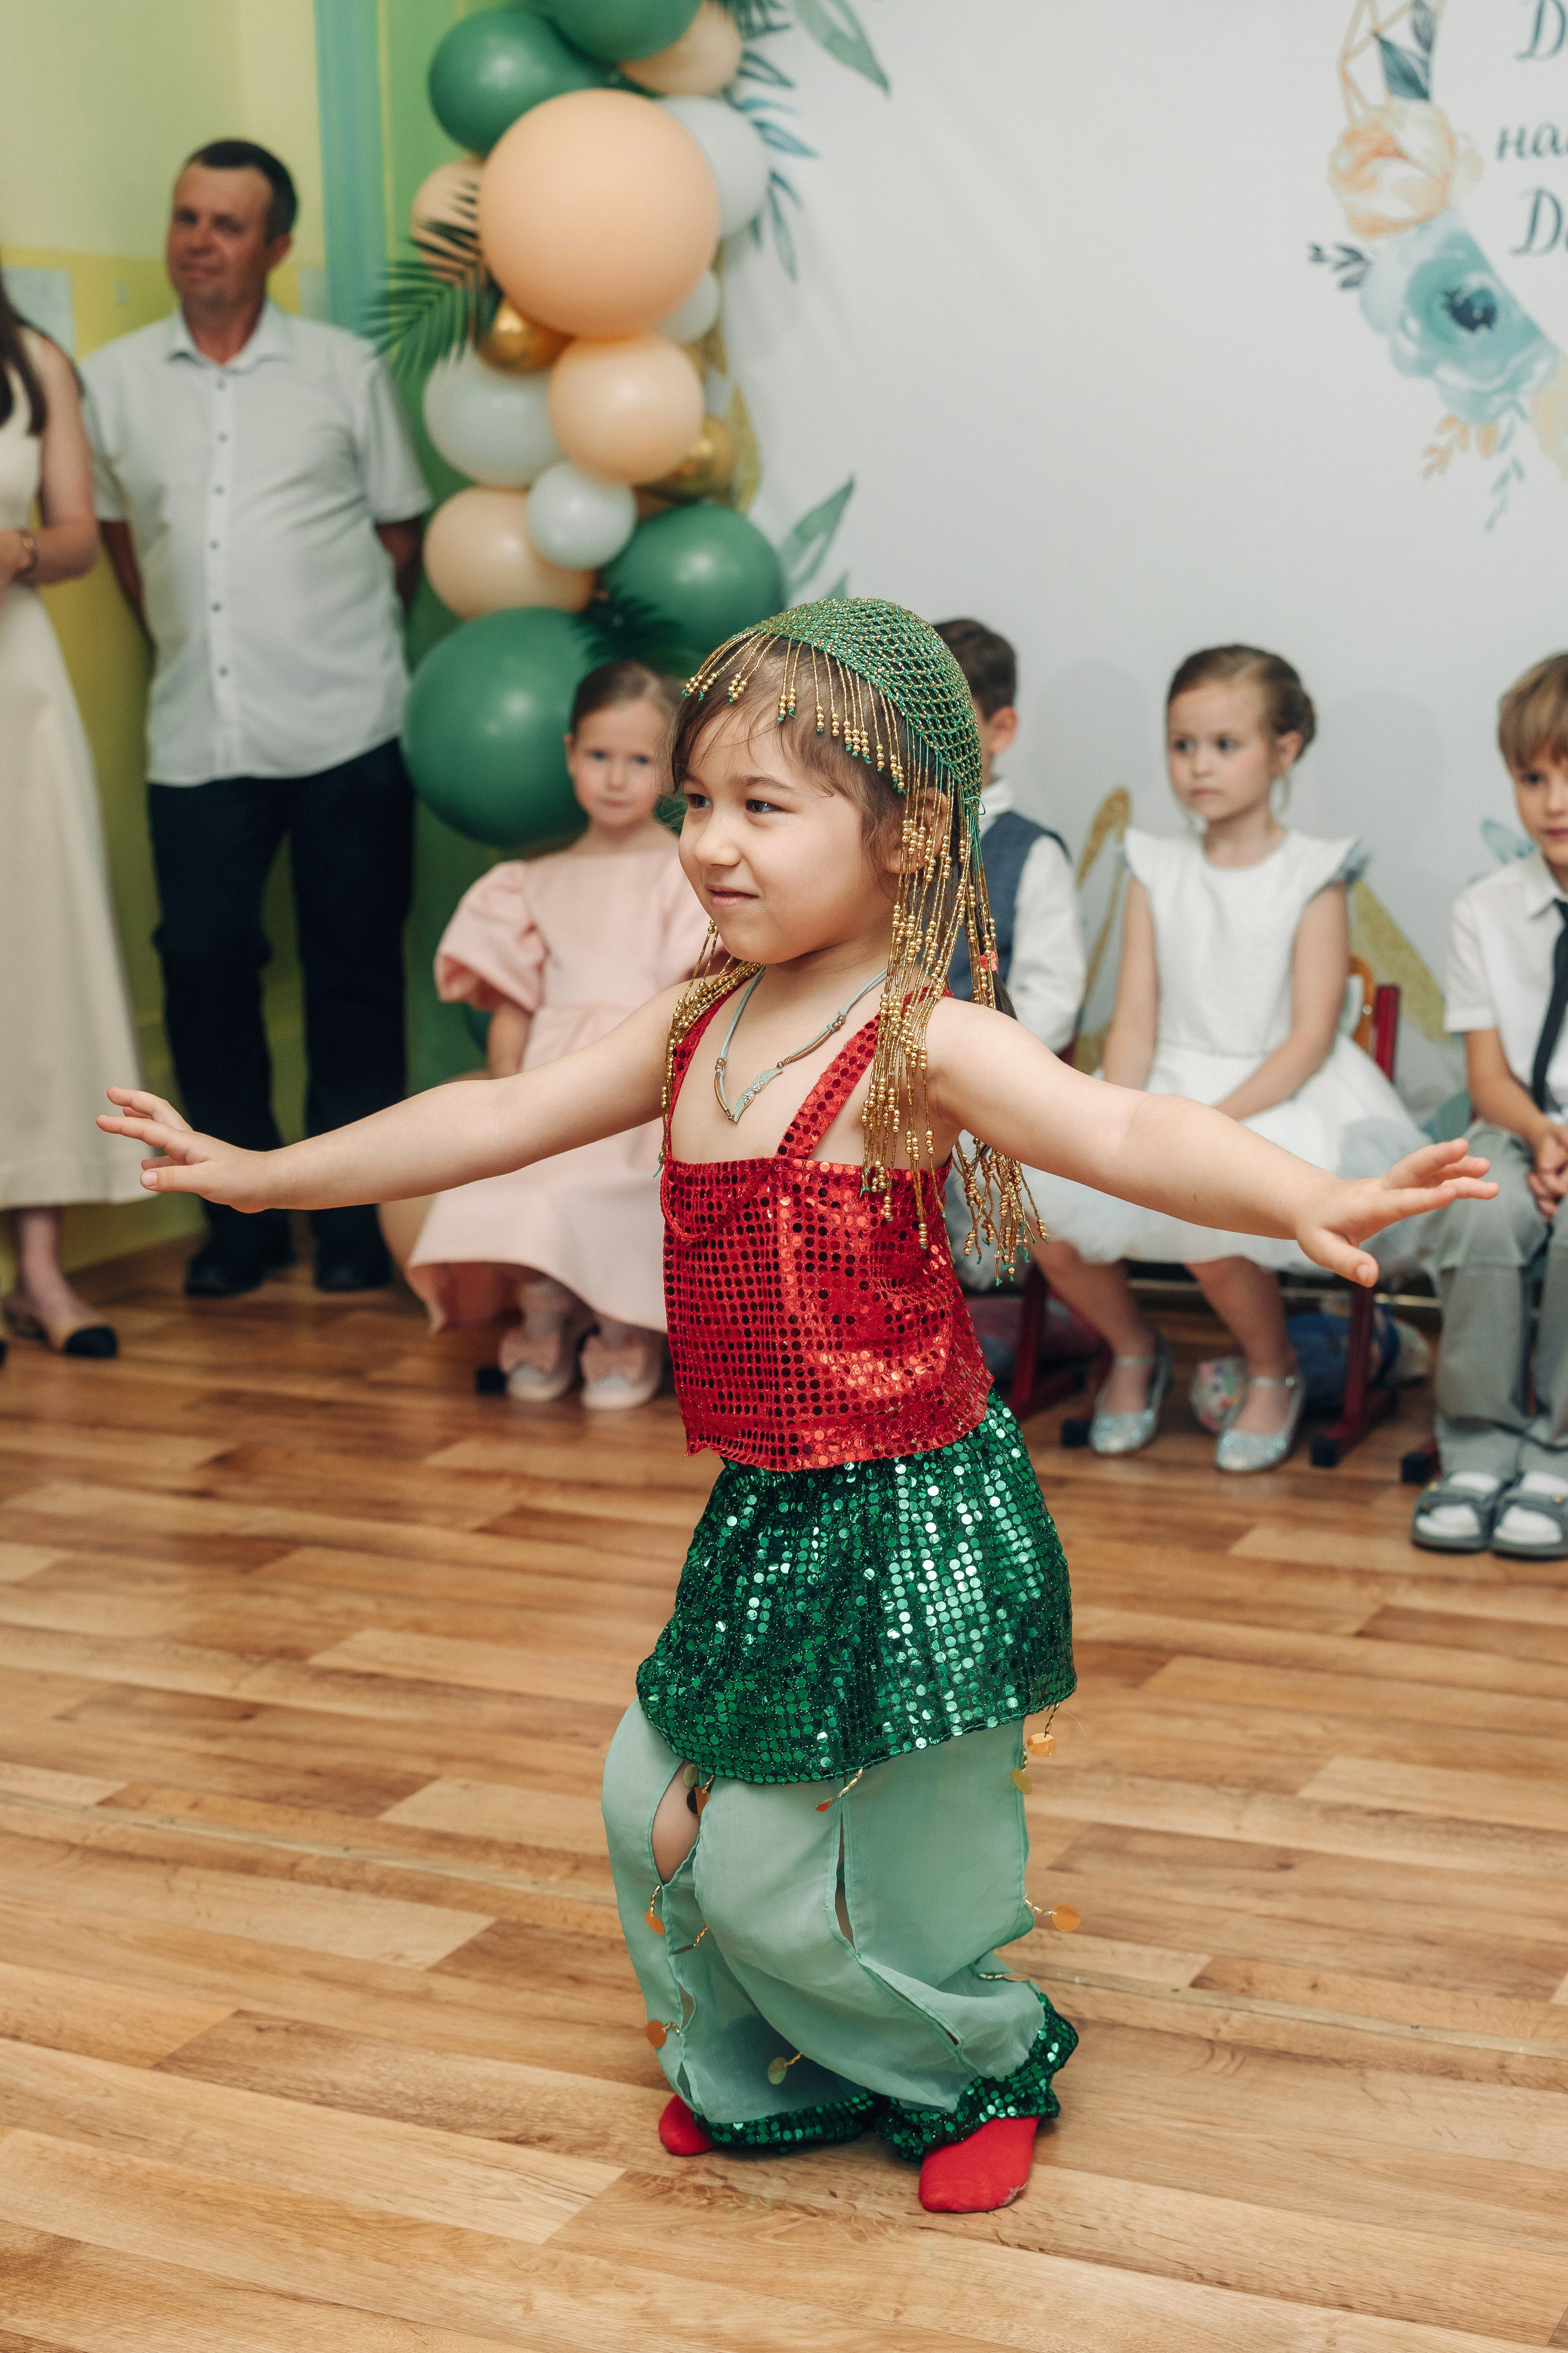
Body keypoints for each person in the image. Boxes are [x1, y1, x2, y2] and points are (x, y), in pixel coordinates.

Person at [97, 597, 1491, 2215]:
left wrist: (1303, 1190)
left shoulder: (924, 1038)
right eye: (698, 803)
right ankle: (770, 2061)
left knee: (790, 1867)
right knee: (649, 1808)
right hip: (771, 1496)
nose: (711, 843)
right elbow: (497, 1116)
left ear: (904, 837)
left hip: (914, 1506)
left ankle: (973, 2061)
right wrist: (274, 1176)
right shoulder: (693, 1023)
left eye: (764, 807)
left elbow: (1121, 1131)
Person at [81, 138, 431, 1299]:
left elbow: (399, 538)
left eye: (228, 223)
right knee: (205, 969)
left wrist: (318, 641)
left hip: (347, 730)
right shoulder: (113, 380)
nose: (198, 240)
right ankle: (232, 1223)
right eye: (186, 217)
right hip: (197, 735)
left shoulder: (343, 371)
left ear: (277, 246)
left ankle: (348, 1230)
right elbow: (133, 546)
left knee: (352, 978)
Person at [1025, 643, 1430, 1471]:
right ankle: (1135, 1347)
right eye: (1183, 745)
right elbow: (1134, 1016)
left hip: (1277, 1088)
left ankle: (1274, 1369)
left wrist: (1210, 1125)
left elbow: (1311, 1034)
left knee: (1203, 1204)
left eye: (1224, 745)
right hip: (1168, 1074)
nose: (1199, 767)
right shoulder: (1154, 864)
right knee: (1042, 1206)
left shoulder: (1312, 872)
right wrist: (1120, 1116)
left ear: (1284, 751)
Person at [393, 661, 709, 1407]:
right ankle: (544, 1313)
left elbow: (690, 997)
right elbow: (514, 1005)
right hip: (551, 1079)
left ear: (668, 768)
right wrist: (511, 1090)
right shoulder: (529, 883)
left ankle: (622, 1326)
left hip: (635, 1079)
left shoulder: (683, 871)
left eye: (638, 761)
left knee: (605, 1188)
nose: (615, 778)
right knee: (517, 1182)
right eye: (599, 756)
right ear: (570, 753)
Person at [0, 271, 141, 1359]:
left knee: (31, 956)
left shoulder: (35, 361)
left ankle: (41, 1272)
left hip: (16, 691)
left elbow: (81, 538)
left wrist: (15, 552)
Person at [1413, 653, 1568, 1558]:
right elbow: (1489, 1079)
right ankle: (1476, 1446)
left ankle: (1556, 1456)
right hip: (1521, 1121)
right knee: (1483, 1207)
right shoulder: (1486, 908)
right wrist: (1544, 1135)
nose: (1554, 800)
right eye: (1533, 776)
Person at [934, 618, 1085, 1051]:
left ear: (998, 730)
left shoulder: (1031, 854)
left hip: (974, 1085)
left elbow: (1050, 1003)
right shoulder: (875, 834)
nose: (919, 740)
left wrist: (971, 1067)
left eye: (942, 721)